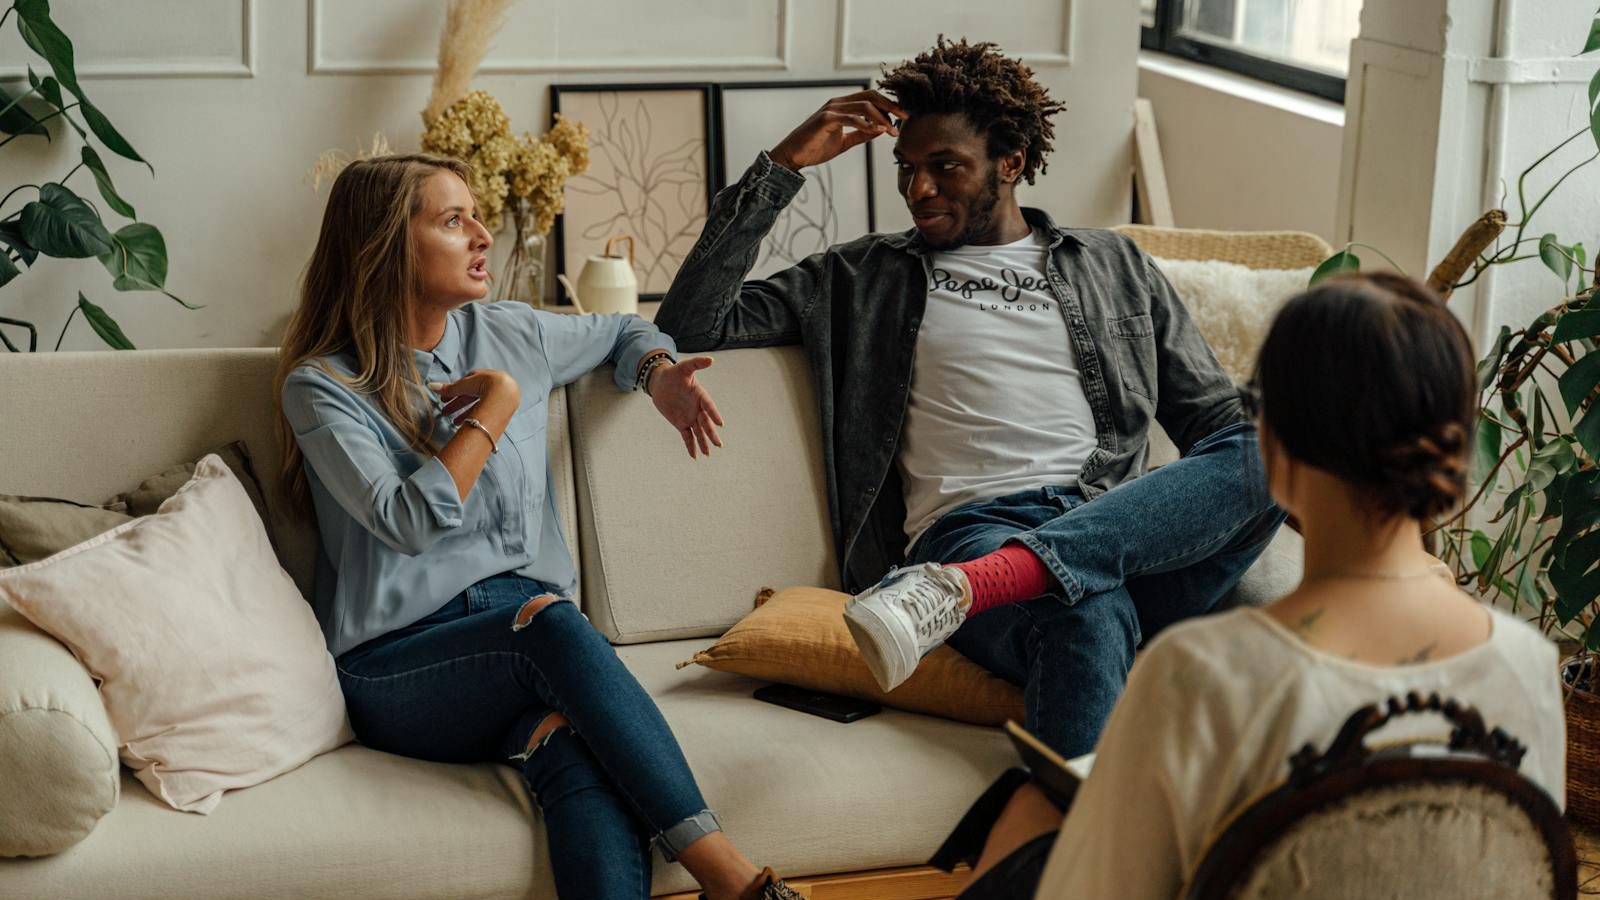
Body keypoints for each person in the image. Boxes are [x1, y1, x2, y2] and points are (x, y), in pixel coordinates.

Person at [655, 38, 1284, 758]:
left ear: (1010, 163)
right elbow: (691, 325)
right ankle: (1069, 854)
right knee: (1083, 610)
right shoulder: (861, 278)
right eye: (907, 169)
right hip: (974, 533)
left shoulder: (1116, 265)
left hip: (1117, 529)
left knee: (1279, 449)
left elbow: (1219, 430)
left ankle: (975, 588)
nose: (919, 189)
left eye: (945, 167)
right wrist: (782, 167)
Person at [273, 153, 800, 900]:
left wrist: (657, 374)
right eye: (454, 221)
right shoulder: (323, 388)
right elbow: (409, 521)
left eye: (477, 216)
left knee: (575, 751)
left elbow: (623, 327)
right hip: (399, 668)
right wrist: (493, 410)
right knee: (550, 622)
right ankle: (732, 878)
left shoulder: (512, 331)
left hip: (526, 647)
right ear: (387, 243)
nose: (482, 235)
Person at [944, 272, 1567, 899]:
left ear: (1270, 444)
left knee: (1029, 805)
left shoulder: (1205, 674)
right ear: (1456, 445)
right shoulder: (1530, 666)